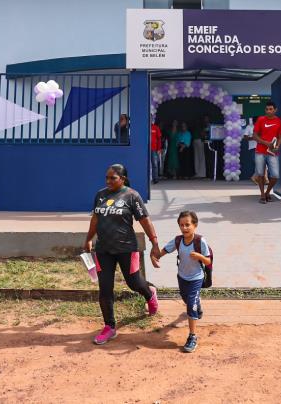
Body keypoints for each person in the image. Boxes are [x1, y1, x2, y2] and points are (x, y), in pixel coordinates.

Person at [83, 164, 161, 345]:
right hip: (103, 249)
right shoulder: (100, 195)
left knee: (134, 283)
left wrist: (154, 243)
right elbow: (95, 219)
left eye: (113, 178)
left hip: (127, 248)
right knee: (105, 288)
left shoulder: (132, 196)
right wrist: (88, 239)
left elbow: (145, 221)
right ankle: (109, 327)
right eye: (107, 178)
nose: (108, 181)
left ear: (123, 179)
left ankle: (149, 293)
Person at [154, 210, 211, 353]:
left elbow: (208, 261)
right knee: (187, 300)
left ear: (195, 225)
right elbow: (164, 251)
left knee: (190, 306)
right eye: (181, 225)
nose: (184, 228)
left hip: (196, 278)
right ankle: (197, 304)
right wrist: (155, 257)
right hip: (182, 277)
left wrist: (199, 256)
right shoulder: (178, 240)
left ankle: (192, 336)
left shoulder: (200, 241)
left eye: (187, 224)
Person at [252, 101, 281, 203]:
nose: (268, 111)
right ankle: (262, 195)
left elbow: (280, 137)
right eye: (267, 109)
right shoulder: (261, 119)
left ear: (275, 110)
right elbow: (254, 136)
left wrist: (277, 146)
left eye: (271, 109)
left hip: (272, 152)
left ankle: (267, 193)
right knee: (260, 174)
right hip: (260, 151)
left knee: (275, 176)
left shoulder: (279, 121)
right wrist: (265, 143)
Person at [150, 117, 163, 184]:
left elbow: (159, 139)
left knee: (154, 164)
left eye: (151, 118)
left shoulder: (156, 128)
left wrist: (159, 148)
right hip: (145, 150)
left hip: (154, 149)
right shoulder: (144, 127)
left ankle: (155, 179)